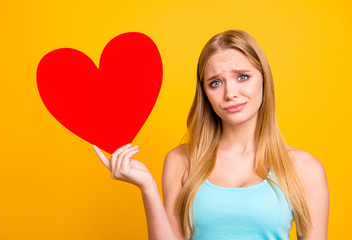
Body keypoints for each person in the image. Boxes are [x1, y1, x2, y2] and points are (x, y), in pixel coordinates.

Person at [93, 29, 329, 240]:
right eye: (215, 83)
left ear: (264, 80)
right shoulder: (181, 160)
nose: (230, 93)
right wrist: (147, 187)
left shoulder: (305, 168)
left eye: (242, 77)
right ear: (205, 93)